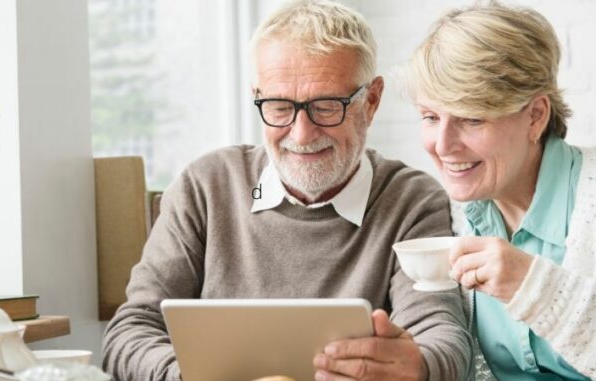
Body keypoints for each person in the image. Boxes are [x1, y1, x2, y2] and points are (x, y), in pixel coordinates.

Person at [103, 1, 472, 380]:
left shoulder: (411, 200)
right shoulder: (206, 187)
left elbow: (443, 338)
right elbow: (128, 334)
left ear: (371, 101)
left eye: (327, 107)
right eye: (279, 107)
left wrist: (419, 368)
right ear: (257, 95)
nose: (301, 134)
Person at [404, 2, 595, 380]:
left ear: (536, 115)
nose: (443, 146)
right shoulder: (450, 216)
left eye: (472, 118)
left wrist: (534, 287)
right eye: (431, 117)